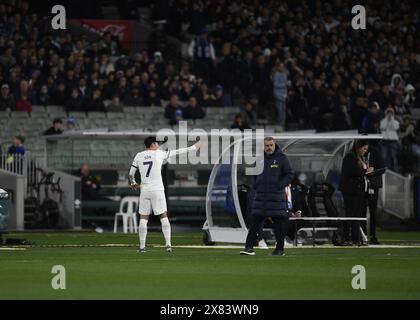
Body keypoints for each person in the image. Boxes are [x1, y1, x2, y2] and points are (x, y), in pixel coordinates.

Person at [129, 136, 202, 253]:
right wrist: (193, 147)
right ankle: (168, 245)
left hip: (145, 190)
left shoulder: (139, 155)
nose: (158, 144)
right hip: (157, 190)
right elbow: (177, 152)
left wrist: (133, 183)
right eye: (157, 143)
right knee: (163, 215)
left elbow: (131, 173)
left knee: (143, 218)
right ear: (152, 144)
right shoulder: (159, 153)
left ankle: (142, 247)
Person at [240, 137, 294, 256]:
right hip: (261, 197)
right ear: (263, 146)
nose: (269, 148)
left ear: (274, 145)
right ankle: (248, 248)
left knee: (279, 224)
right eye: (266, 145)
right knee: (254, 223)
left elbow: (289, 174)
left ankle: (279, 250)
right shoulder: (259, 159)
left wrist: (279, 186)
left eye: (271, 145)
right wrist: (256, 186)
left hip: (276, 197)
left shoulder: (282, 158)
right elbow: (253, 174)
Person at [339, 140, 374, 246]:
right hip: (351, 191)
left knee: (356, 215)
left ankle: (355, 238)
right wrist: (366, 171)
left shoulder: (360, 158)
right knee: (350, 214)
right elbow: (353, 172)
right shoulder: (350, 157)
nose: (365, 151)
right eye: (364, 148)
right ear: (358, 148)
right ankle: (346, 238)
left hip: (358, 191)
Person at [364, 141, 386, 245]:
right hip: (361, 186)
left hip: (373, 185)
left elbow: (383, 168)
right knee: (361, 210)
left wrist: (372, 172)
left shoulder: (375, 152)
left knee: (372, 211)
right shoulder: (356, 152)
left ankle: (373, 235)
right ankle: (362, 234)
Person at [380, 107, 400, 172]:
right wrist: (387, 119)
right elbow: (383, 127)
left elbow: (395, 127)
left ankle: (395, 171)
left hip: (393, 141)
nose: (389, 114)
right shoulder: (382, 121)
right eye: (388, 112)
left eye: (390, 112)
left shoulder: (396, 122)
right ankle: (385, 171)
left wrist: (391, 119)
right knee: (384, 156)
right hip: (385, 141)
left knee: (394, 157)